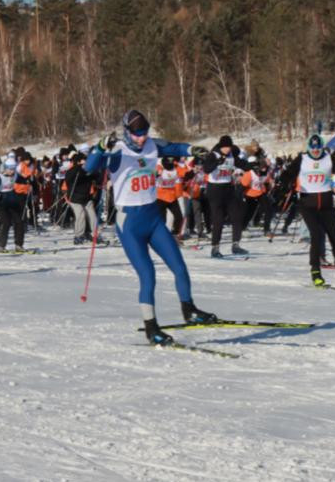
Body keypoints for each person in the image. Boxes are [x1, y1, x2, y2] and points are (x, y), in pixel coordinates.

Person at [84, 109, 216, 345]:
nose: (141, 138)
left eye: (144, 133)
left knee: (179, 265)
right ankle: (151, 327)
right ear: (127, 132)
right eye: (136, 134)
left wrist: (194, 150)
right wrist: (101, 147)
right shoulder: (117, 151)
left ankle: (190, 310)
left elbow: (175, 148)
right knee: (148, 275)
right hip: (130, 223)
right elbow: (90, 167)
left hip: (153, 218)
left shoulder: (152, 145)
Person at [276, 134, 335, 287]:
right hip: (308, 204)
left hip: (326, 205)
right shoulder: (302, 159)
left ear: (322, 147)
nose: (315, 150)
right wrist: (286, 184)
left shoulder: (328, 159)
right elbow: (287, 174)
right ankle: (316, 272)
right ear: (309, 147)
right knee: (317, 235)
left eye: (318, 147)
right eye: (313, 147)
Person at [201, 135, 251, 257]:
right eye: (225, 147)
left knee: (237, 216)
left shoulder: (232, 155)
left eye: (229, 147)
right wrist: (217, 163)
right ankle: (215, 248)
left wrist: (253, 166)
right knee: (218, 220)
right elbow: (206, 169)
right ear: (221, 146)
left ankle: (236, 245)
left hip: (228, 188)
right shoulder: (213, 155)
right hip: (215, 189)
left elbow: (241, 164)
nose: (227, 149)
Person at [63, 151, 102, 245]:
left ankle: (96, 235)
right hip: (74, 198)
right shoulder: (72, 171)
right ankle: (78, 236)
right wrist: (79, 170)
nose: (86, 162)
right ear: (79, 161)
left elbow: (97, 177)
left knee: (92, 215)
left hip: (86, 197)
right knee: (80, 215)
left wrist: (98, 178)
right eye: (84, 160)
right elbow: (68, 180)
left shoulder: (88, 169)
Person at [0, 152, 28, 253]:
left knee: (19, 221)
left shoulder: (15, 174)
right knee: (6, 222)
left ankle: (19, 245)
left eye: (14, 169)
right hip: (0, 202)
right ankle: (1, 246)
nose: (12, 171)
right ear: (5, 167)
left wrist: (28, 180)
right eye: (10, 169)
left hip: (11, 200)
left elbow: (20, 178)